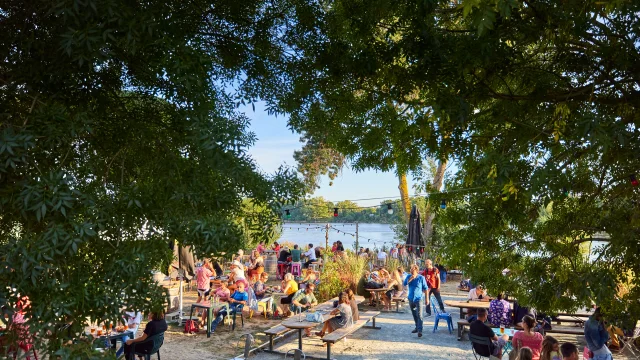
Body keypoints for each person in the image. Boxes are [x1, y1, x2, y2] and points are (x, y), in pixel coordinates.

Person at [403, 264, 428, 337]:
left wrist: (427, 299)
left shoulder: (421, 278)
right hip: (411, 298)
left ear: (416, 270)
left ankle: (420, 330)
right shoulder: (408, 276)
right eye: (410, 269)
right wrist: (411, 278)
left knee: (419, 314)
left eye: (412, 269)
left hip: (419, 298)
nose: (411, 270)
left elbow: (426, 288)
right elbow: (404, 284)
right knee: (414, 314)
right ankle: (417, 327)